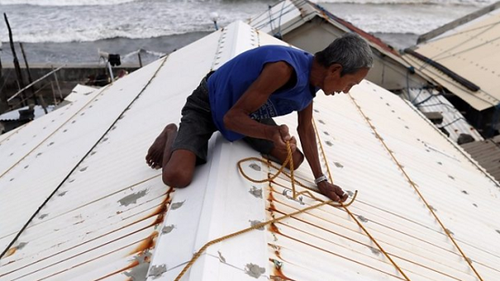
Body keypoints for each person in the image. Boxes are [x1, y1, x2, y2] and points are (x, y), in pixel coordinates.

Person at [146, 33, 373, 202]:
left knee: (294, 160)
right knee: (177, 176)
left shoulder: (312, 82)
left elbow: (305, 128)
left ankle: (249, 133)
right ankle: (171, 133)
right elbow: (230, 118)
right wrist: (271, 133)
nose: (346, 91)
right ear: (334, 70)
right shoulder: (284, 69)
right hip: (208, 104)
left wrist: (321, 180)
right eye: (350, 84)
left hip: (247, 111)